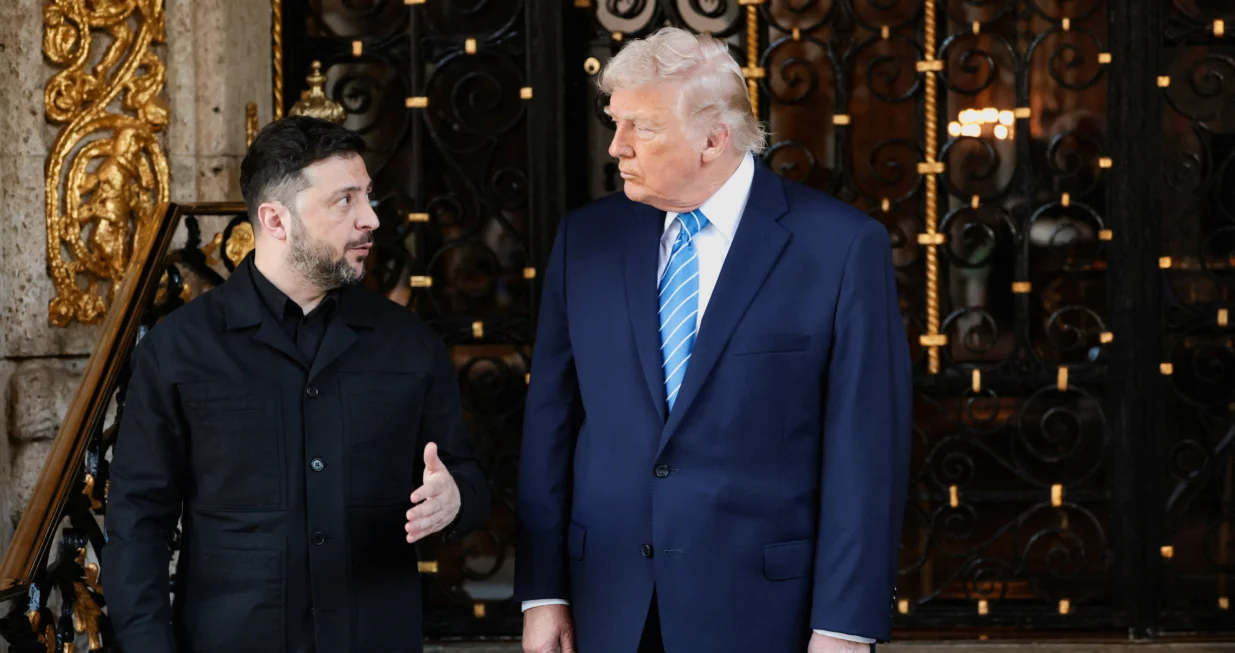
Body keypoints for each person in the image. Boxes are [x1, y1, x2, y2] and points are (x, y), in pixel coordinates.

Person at [514, 27, 912, 653]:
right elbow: (551, 423)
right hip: (608, 605)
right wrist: (543, 593)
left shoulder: (839, 247)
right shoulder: (584, 242)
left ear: (713, 138)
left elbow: (865, 448)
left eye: (640, 128)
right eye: (615, 123)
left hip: (765, 610)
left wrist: (844, 626)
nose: (617, 147)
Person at [102, 116, 490, 653]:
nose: (371, 219)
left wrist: (455, 500)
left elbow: (466, 477)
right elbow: (137, 521)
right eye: (345, 201)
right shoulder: (179, 349)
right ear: (276, 220)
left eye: (367, 198)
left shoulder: (409, 342)